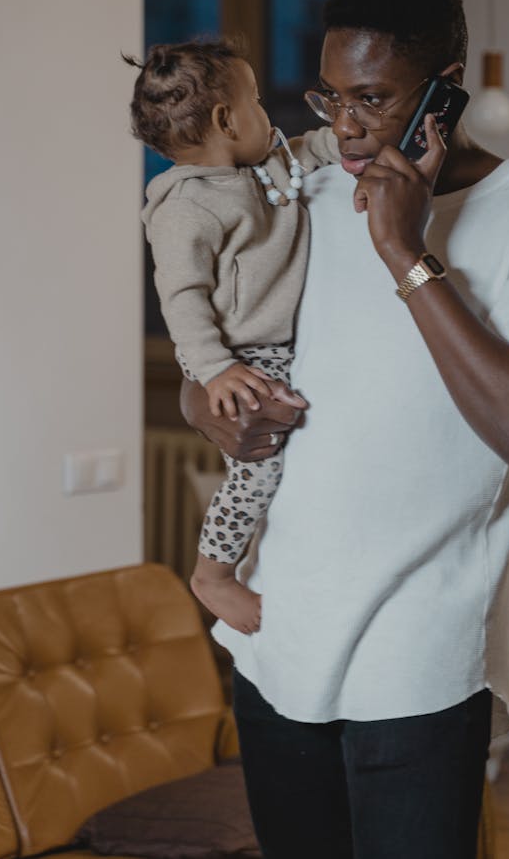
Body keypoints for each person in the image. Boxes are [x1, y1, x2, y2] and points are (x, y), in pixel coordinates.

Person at [180, 0, 509, 859]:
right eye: (331, 97)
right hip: (278, 636)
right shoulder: (299, 184)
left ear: (446, 90)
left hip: (419, 663)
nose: (346, 126)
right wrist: (207, 406)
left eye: (372, 97)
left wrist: (405, 251)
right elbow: (209, 356)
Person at [128, 39, 338, 634]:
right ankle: (213, 575)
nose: (267, 115)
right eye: (256, 102)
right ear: (226, 120)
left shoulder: (267, 167)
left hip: (273, 347)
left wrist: (352, 139)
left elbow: (309, 151)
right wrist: (214, 368)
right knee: (260, 469)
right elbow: (182, 296)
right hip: (232, 358)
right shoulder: (186, 208)